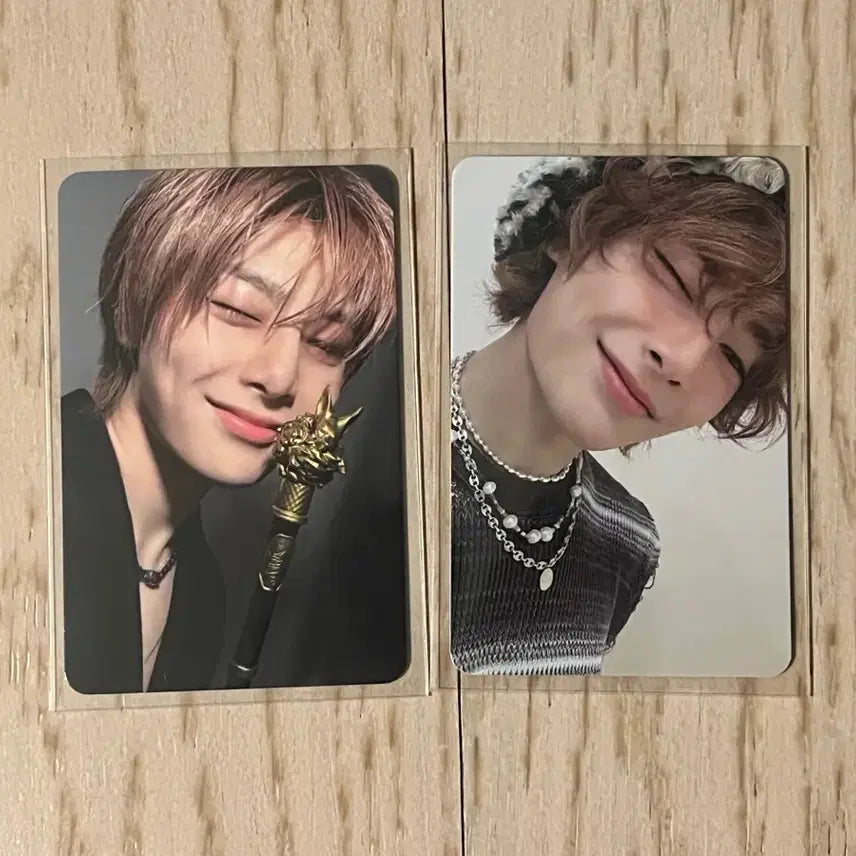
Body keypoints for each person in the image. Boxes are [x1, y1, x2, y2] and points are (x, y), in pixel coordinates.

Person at [61, 165, 397, 694]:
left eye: (326, 344)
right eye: (237, 310)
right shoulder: (33, 507)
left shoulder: (201, 591)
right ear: (131, 307)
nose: (280, 376)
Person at [450, 155, 789, 676]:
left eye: (732, 357)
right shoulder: (353, 442)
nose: (682, 362)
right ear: (568, 229)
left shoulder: (629, 541)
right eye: (676, 279)